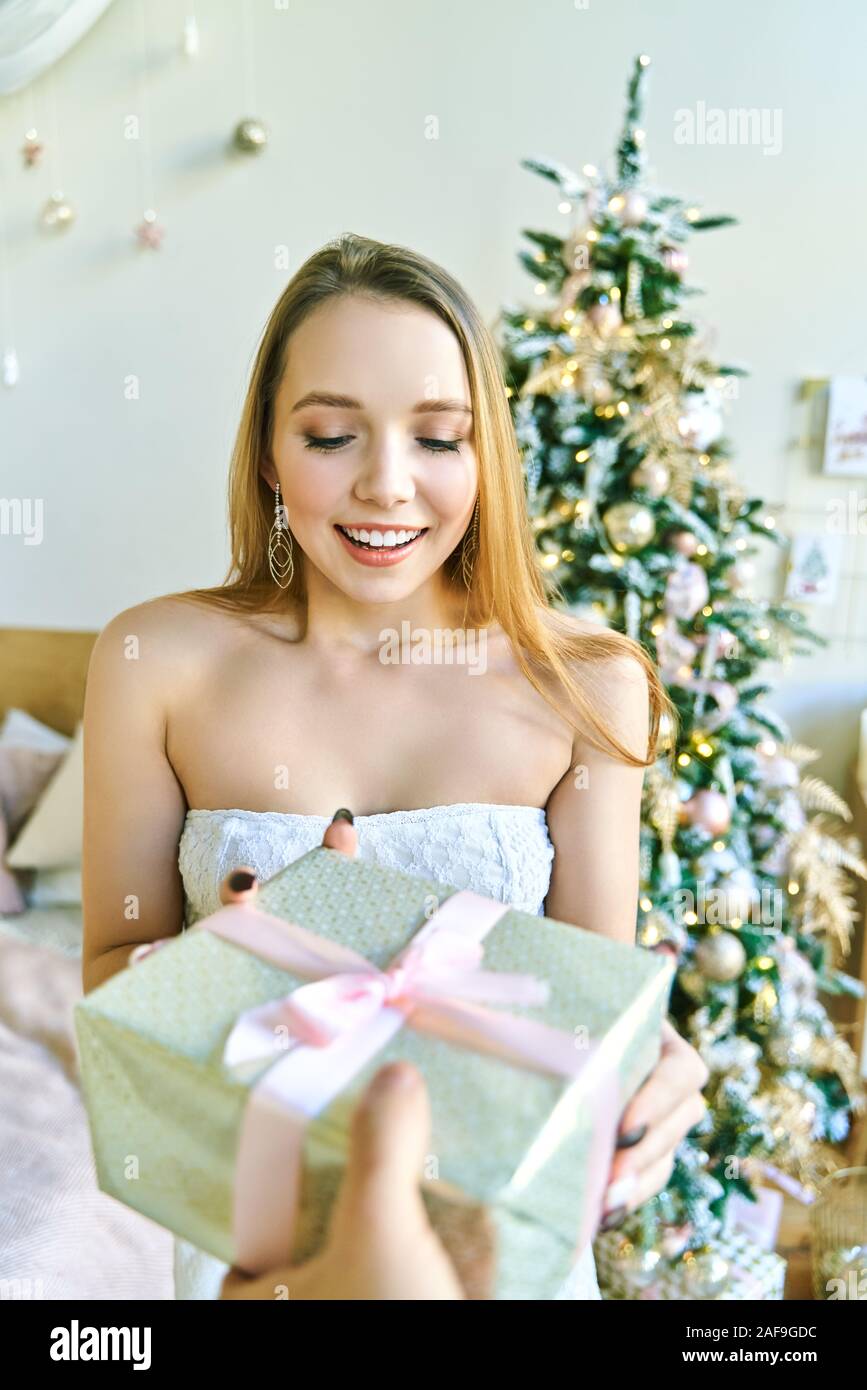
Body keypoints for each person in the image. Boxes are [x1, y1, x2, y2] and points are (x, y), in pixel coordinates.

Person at [81, 233, 708, 1299]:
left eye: (437, 438)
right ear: (271, 452)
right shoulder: (154, 661)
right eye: (331, 434)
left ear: (486, 458)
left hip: (496, 1249)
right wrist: (230, 970)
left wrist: (659, 1061)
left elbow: (588, 1011)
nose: (386, 485)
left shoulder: (590, 684)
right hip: (262, 1224)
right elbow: (108, 966)